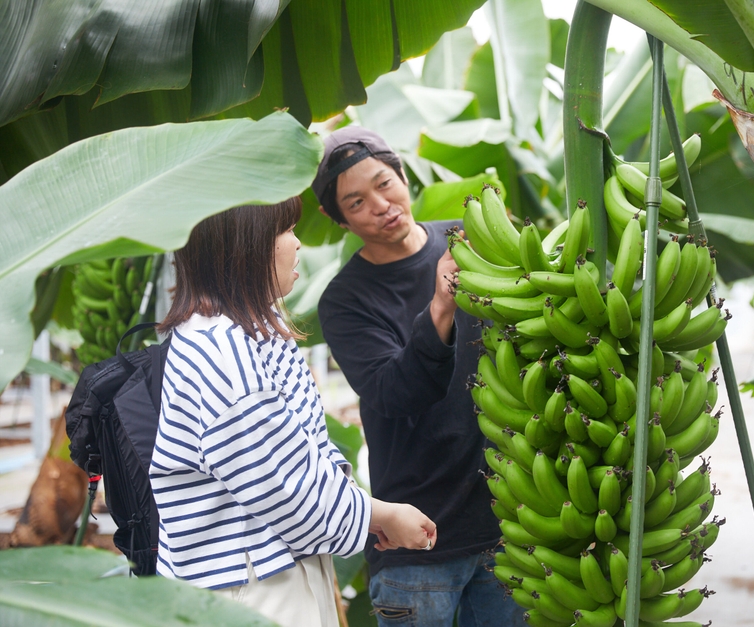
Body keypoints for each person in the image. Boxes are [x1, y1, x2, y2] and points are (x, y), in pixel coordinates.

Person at [150, 197, 437, 627]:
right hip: (250, 585)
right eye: (284, 231)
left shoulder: (249, 330)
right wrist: (380, 515)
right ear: (245, 248)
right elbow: (284, 486)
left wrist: (355, 510)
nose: (298, 243)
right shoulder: (220, 352)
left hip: (273, 562)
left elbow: (300, 450)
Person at [314, 127, 525, 626]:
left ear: (403, 175)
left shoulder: (473, 240)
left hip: (511, 523)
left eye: (385, 184)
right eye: (357, 201)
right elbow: (392, 393)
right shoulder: (345, 301)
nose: (381, 205)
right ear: (337, 217)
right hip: (417, 541)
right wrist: (440, 308)